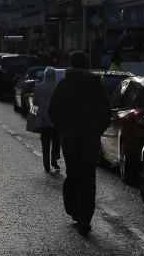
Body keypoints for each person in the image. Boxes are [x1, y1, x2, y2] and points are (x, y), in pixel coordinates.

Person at [48, 50, 111, 236]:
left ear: (71, 63)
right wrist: (97, 129)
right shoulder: (95, 85)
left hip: (70, 138)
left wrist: (64, 129)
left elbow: (53, 112)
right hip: (90, 138)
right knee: (88, 179)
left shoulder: (64, 84)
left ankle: (73, 209)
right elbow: (106, 111)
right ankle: (85, 218)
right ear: (86, 64)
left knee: (73, 174)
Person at [28, 67, 61, 173]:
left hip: (43, 119)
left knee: (45, 143)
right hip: (55, 119)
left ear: (45, 75)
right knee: (56, 141)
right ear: (54, 76)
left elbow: (36, 102)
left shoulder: (39, 87)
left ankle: (46, 164)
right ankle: (54, 160)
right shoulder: (58, 87)